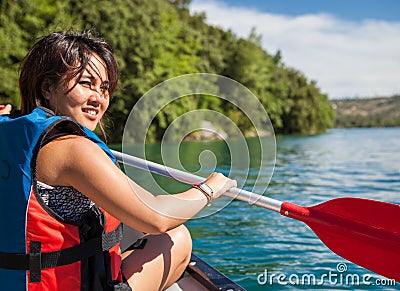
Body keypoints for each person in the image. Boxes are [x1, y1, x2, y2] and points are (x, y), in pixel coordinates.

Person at [0, 29, 237, 291]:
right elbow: (157, 217)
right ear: (47, 87)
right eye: (86, 83)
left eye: (104, 88)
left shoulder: (10, 132)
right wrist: (210, 188)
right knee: (176, 237)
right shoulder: (71, 149)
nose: (98, 98)